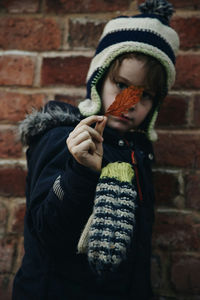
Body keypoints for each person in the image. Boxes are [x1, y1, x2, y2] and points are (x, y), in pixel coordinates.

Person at [12, 0, 179, 299]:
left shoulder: (137, 154)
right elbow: (47, 232)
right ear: (98, 80)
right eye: (121, 85)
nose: (129, 104)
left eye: (145, 95)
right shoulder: (65, 138)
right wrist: (80, 171)